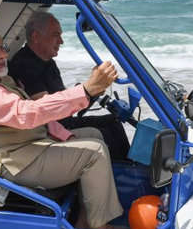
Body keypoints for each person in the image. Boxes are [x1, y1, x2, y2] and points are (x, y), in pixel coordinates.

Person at [0, 26, 127, 229]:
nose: (2, 55)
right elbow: (25, 114)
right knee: (94, 152)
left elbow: (34, 111)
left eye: (2, 48)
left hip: (27, 146)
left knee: (92, 134)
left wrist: (64, 135)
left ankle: (85, 221)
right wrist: (85, 91)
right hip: (13, 161)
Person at [8, 11, 130, 161]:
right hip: (50, 128)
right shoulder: (25, 64)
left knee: (113, 122)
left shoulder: (47, 62)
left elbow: (62, 100)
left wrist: (93, 90)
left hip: (62, 120)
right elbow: (46, 109)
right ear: (35, 37)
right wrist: (87, 90)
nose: (61, 41)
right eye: (55, 35)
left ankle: (127, 168)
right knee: (108, 129)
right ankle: (124, 171)